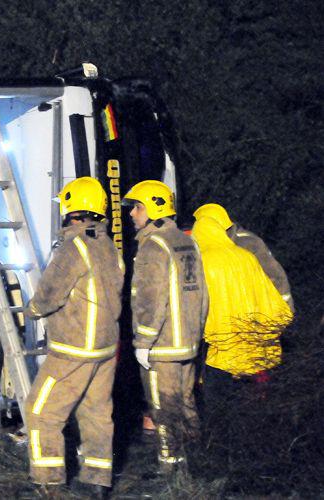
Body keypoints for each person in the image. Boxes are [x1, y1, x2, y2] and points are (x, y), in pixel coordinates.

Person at [23, 177, 124, 495]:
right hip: (106, 349)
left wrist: (33, 310)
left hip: (73, 350)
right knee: (96, 414)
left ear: (71, 209)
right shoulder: (107, 244)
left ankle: (46, 484)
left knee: (40, 411)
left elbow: (50, 293)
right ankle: (97, 483)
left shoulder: (74, 247)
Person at [122, 180, 207, 471]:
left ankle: (169, 467)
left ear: (153, 209)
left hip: (163, 345)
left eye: (137, 206)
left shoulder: (153, 247)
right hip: (188, 343)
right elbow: (203, 293)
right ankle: (196, 460)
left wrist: (143, 343)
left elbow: (150, 300)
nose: (132, 213)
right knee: (186, 402)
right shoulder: (188, 241)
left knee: (163, 407)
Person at [190, 216, 292, 399]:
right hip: (254, 347)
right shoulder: (247, 257)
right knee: (253, 404)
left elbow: (198, 307)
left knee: (220, 405)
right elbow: (270, 297)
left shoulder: (203, 262)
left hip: (221, 352)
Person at [193, 203, 293, 311]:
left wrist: (283, 311)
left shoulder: (248, 244)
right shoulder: (203, 248)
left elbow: (275, 277)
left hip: (253, 312)